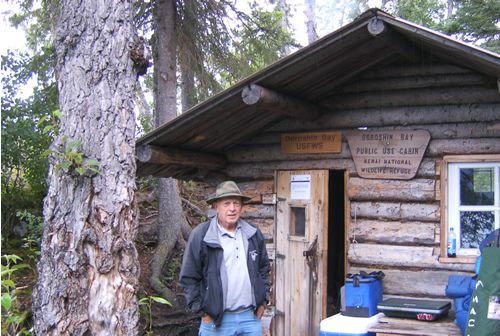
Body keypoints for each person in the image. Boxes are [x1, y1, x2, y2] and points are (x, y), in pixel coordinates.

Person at [179, 181, 270, 336]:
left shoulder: (252, 234)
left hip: (250, 318)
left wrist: (262, 303)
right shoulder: (202, 235)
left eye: (236, 203)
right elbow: (188, 277)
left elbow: (264, 270)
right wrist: (203, 312)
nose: (232, 208)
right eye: (226, 203)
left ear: (241, 206)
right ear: (216, 206)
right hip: (216, 321)